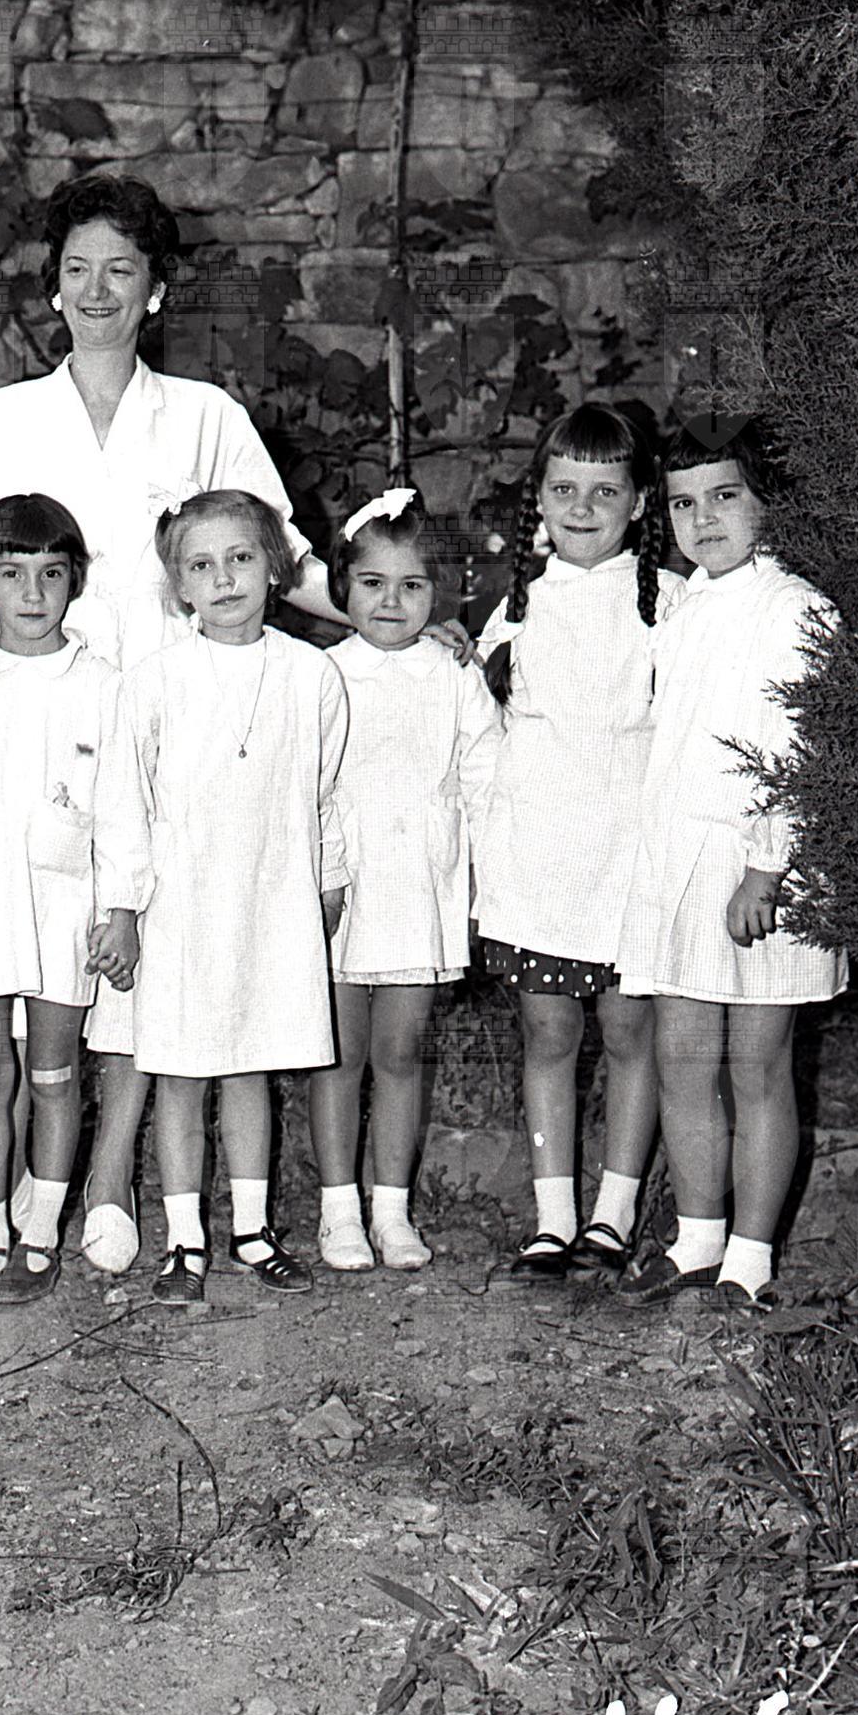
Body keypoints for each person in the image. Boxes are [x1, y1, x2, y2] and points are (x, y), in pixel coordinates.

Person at [0, 172, 345, 1275]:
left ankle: (106, 1185)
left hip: (171, 728)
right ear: (52, 288)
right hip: (33, 720)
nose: (98, 290)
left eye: (122, 270)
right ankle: (3, 1195)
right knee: (31, 953)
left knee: (149, 954)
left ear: (156, 289)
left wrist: (387, 620)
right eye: (77, 270)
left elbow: (283, 558)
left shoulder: (204, 417)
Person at [94, 490, 348, 1307]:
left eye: (240, 558)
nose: (224, 578)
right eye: (201, 566)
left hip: (270, 898)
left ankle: (252, 1229)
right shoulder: (153, 681)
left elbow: (326, 793)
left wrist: (327, 885)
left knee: (249, 1065)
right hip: (182, 903)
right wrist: (123, 911)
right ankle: (184, 1239)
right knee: (179, 1072)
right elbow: (122, 804)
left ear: (273, 565)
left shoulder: (310, 674)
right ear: (179, 587)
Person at [615, 419, 847, 1308]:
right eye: (682, 503)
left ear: (764, 502)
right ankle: (696, 1237)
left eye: (723, 497)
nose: (702, 519)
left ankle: (750, 1256)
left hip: (759, 868)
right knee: (681, 1057)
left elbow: (799, 746)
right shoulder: (682, 607)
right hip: (681, 857)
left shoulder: (795, 609)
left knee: (756, 1063)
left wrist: (765, 866)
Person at [473, 403, 682, 1285]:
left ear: (640, 501)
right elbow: (480, 732)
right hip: (537, 865)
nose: (583, 508)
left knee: (631, 1034)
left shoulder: (672, 607)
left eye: (604, 491)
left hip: (630, 864)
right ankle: (553, 1217)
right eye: (564, 489)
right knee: (548, 1034)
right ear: (540, 499)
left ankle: (613, 1213)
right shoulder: (514, 611)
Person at [0, 493, 126, 1313]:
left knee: (52, 1072)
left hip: (64, 906)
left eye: (50, 574)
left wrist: (120, 909)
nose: (33, 593)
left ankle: (40, 1229)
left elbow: (123, 808)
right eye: (11, 575)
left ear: (75, 580)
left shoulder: (104, 686)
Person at [313, 492, 503, 1271]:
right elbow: (304, 787)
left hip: (418, 888)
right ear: (342, 586)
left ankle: (390, 1210)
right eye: (372, 583)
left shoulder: (453, 676)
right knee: (335, 1054)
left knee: (400, 1053)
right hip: (339, 889)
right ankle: (337, 1213)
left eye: (412, 585)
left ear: (439, 593)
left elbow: (485, 777)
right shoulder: (322, 674)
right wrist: (318, 873)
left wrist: (484, 883)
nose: (390, 602)